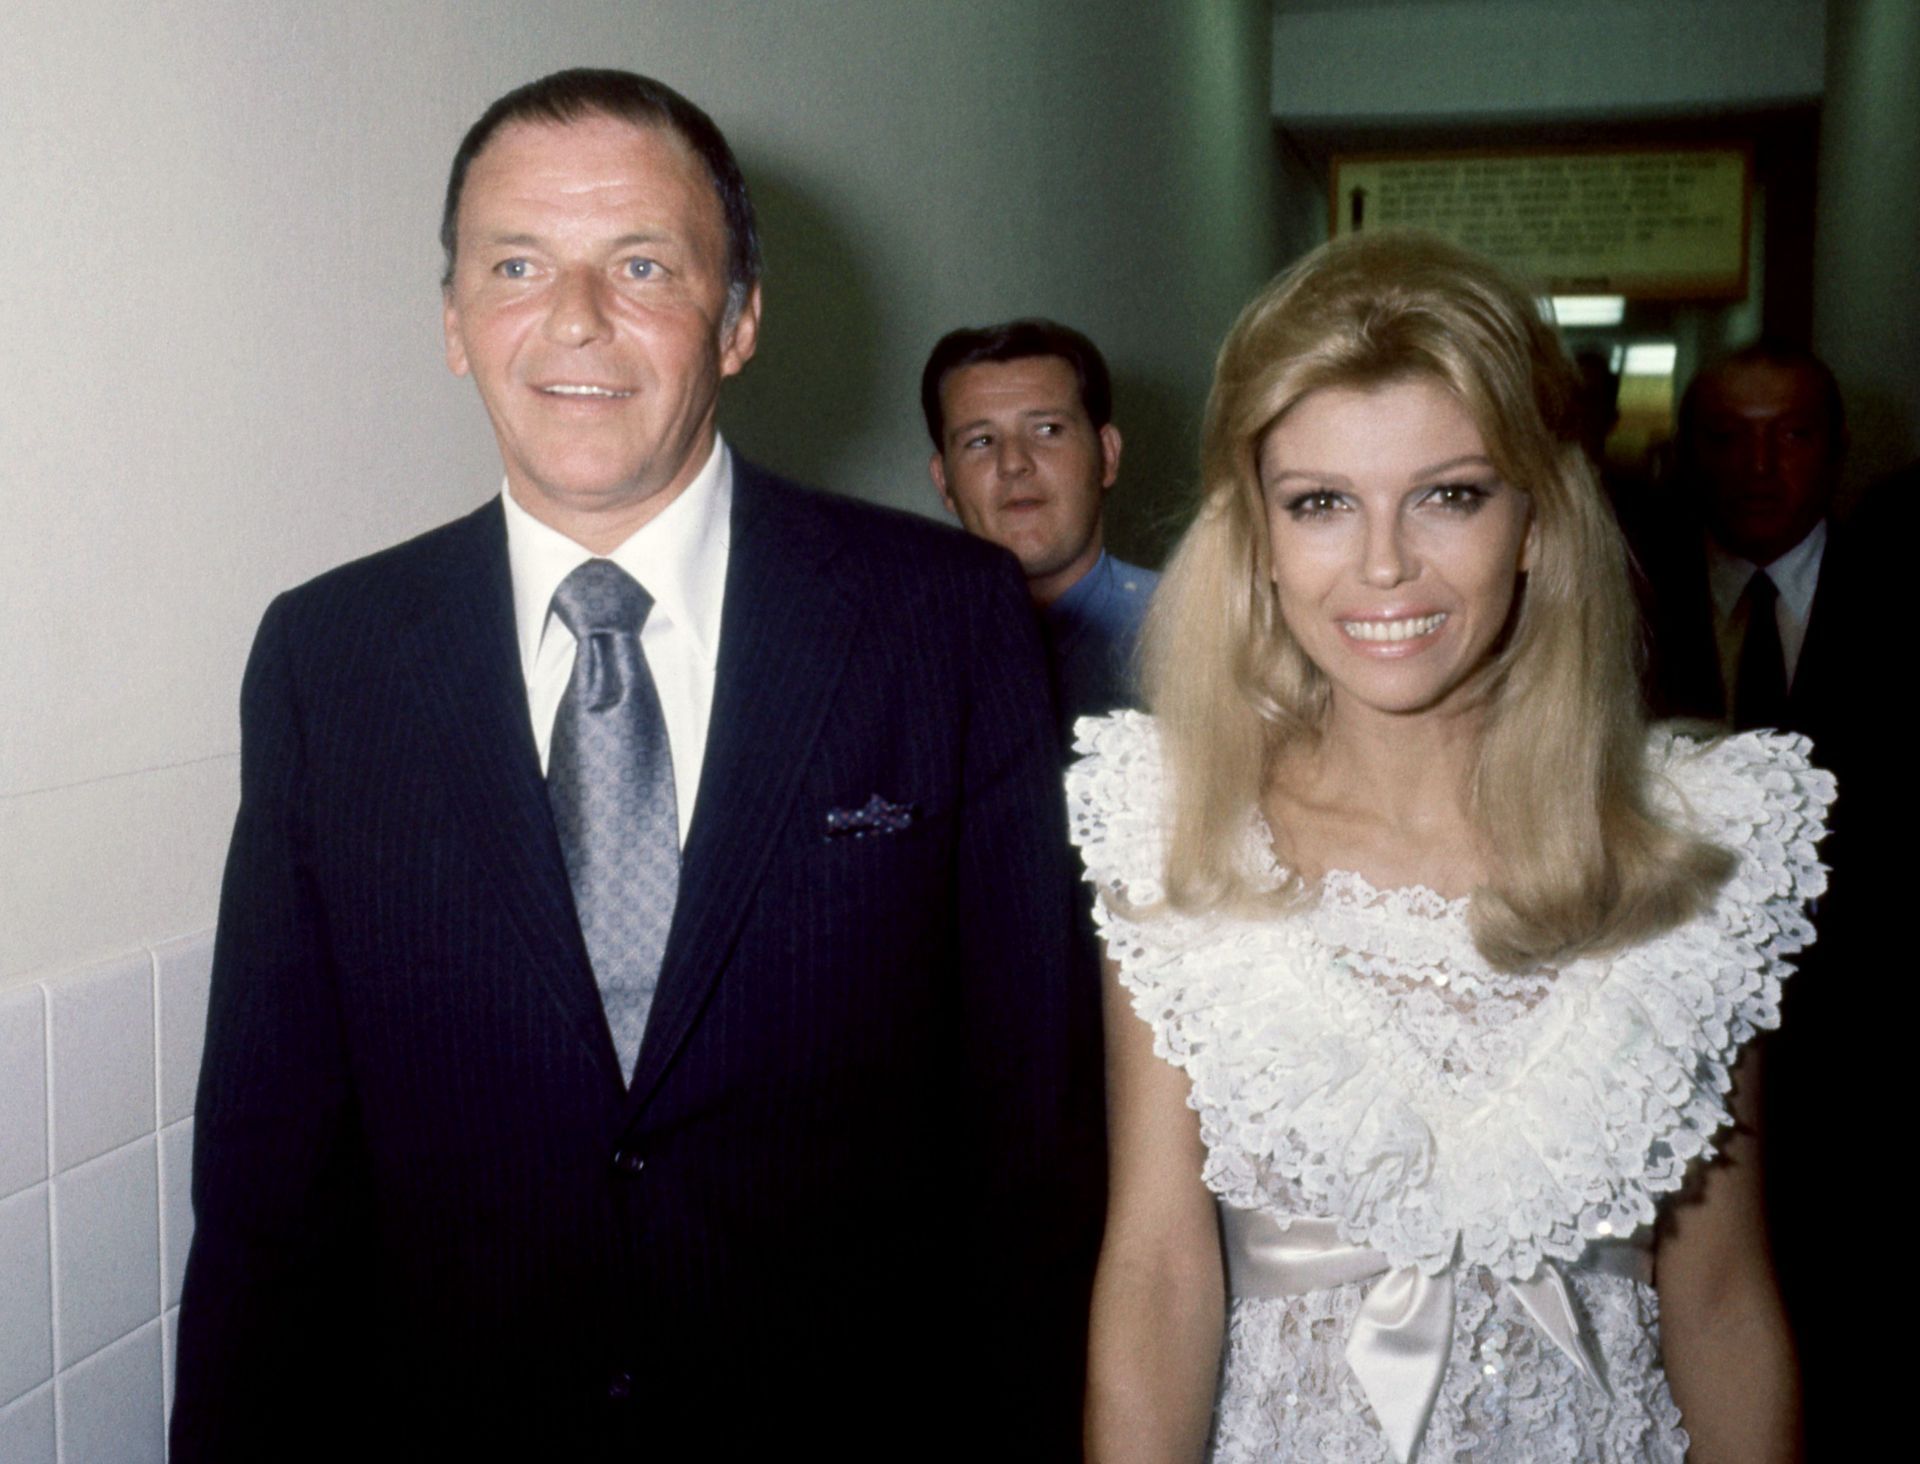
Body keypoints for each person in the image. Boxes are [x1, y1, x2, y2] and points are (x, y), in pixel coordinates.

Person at [171, 68, 1102, 1460]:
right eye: (517, 265)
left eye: (644, 265)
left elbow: (1030, 1136)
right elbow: (267, 1172)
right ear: (452, 321)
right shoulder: (329, 659)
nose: (575, 317)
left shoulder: (941, 619)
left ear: (739, 320)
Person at [1070, 233, 1827, 1462]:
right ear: (1258, 536)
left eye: (1450, 494)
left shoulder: (1697, 843)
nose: (1383, 565)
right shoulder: (1177, 830)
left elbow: (1725, 1299)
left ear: (1534, 520)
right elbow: (1157, 1278)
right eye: (1321, 503)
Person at [1630, 340, 1890, 1455]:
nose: (1759, 464)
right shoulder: (1628, 598)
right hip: (1674, 1045)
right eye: (1728, 436)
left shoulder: (1901, 588)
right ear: (1686, 451)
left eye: (1790, 434)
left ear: (1836, 449)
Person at [923, 319, 1159, 735]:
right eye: (981, 440)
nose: (1014, 462)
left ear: (1107, 456)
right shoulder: (904, 654)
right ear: (944, 482)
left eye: (1048, 430)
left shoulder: (1205, 635)